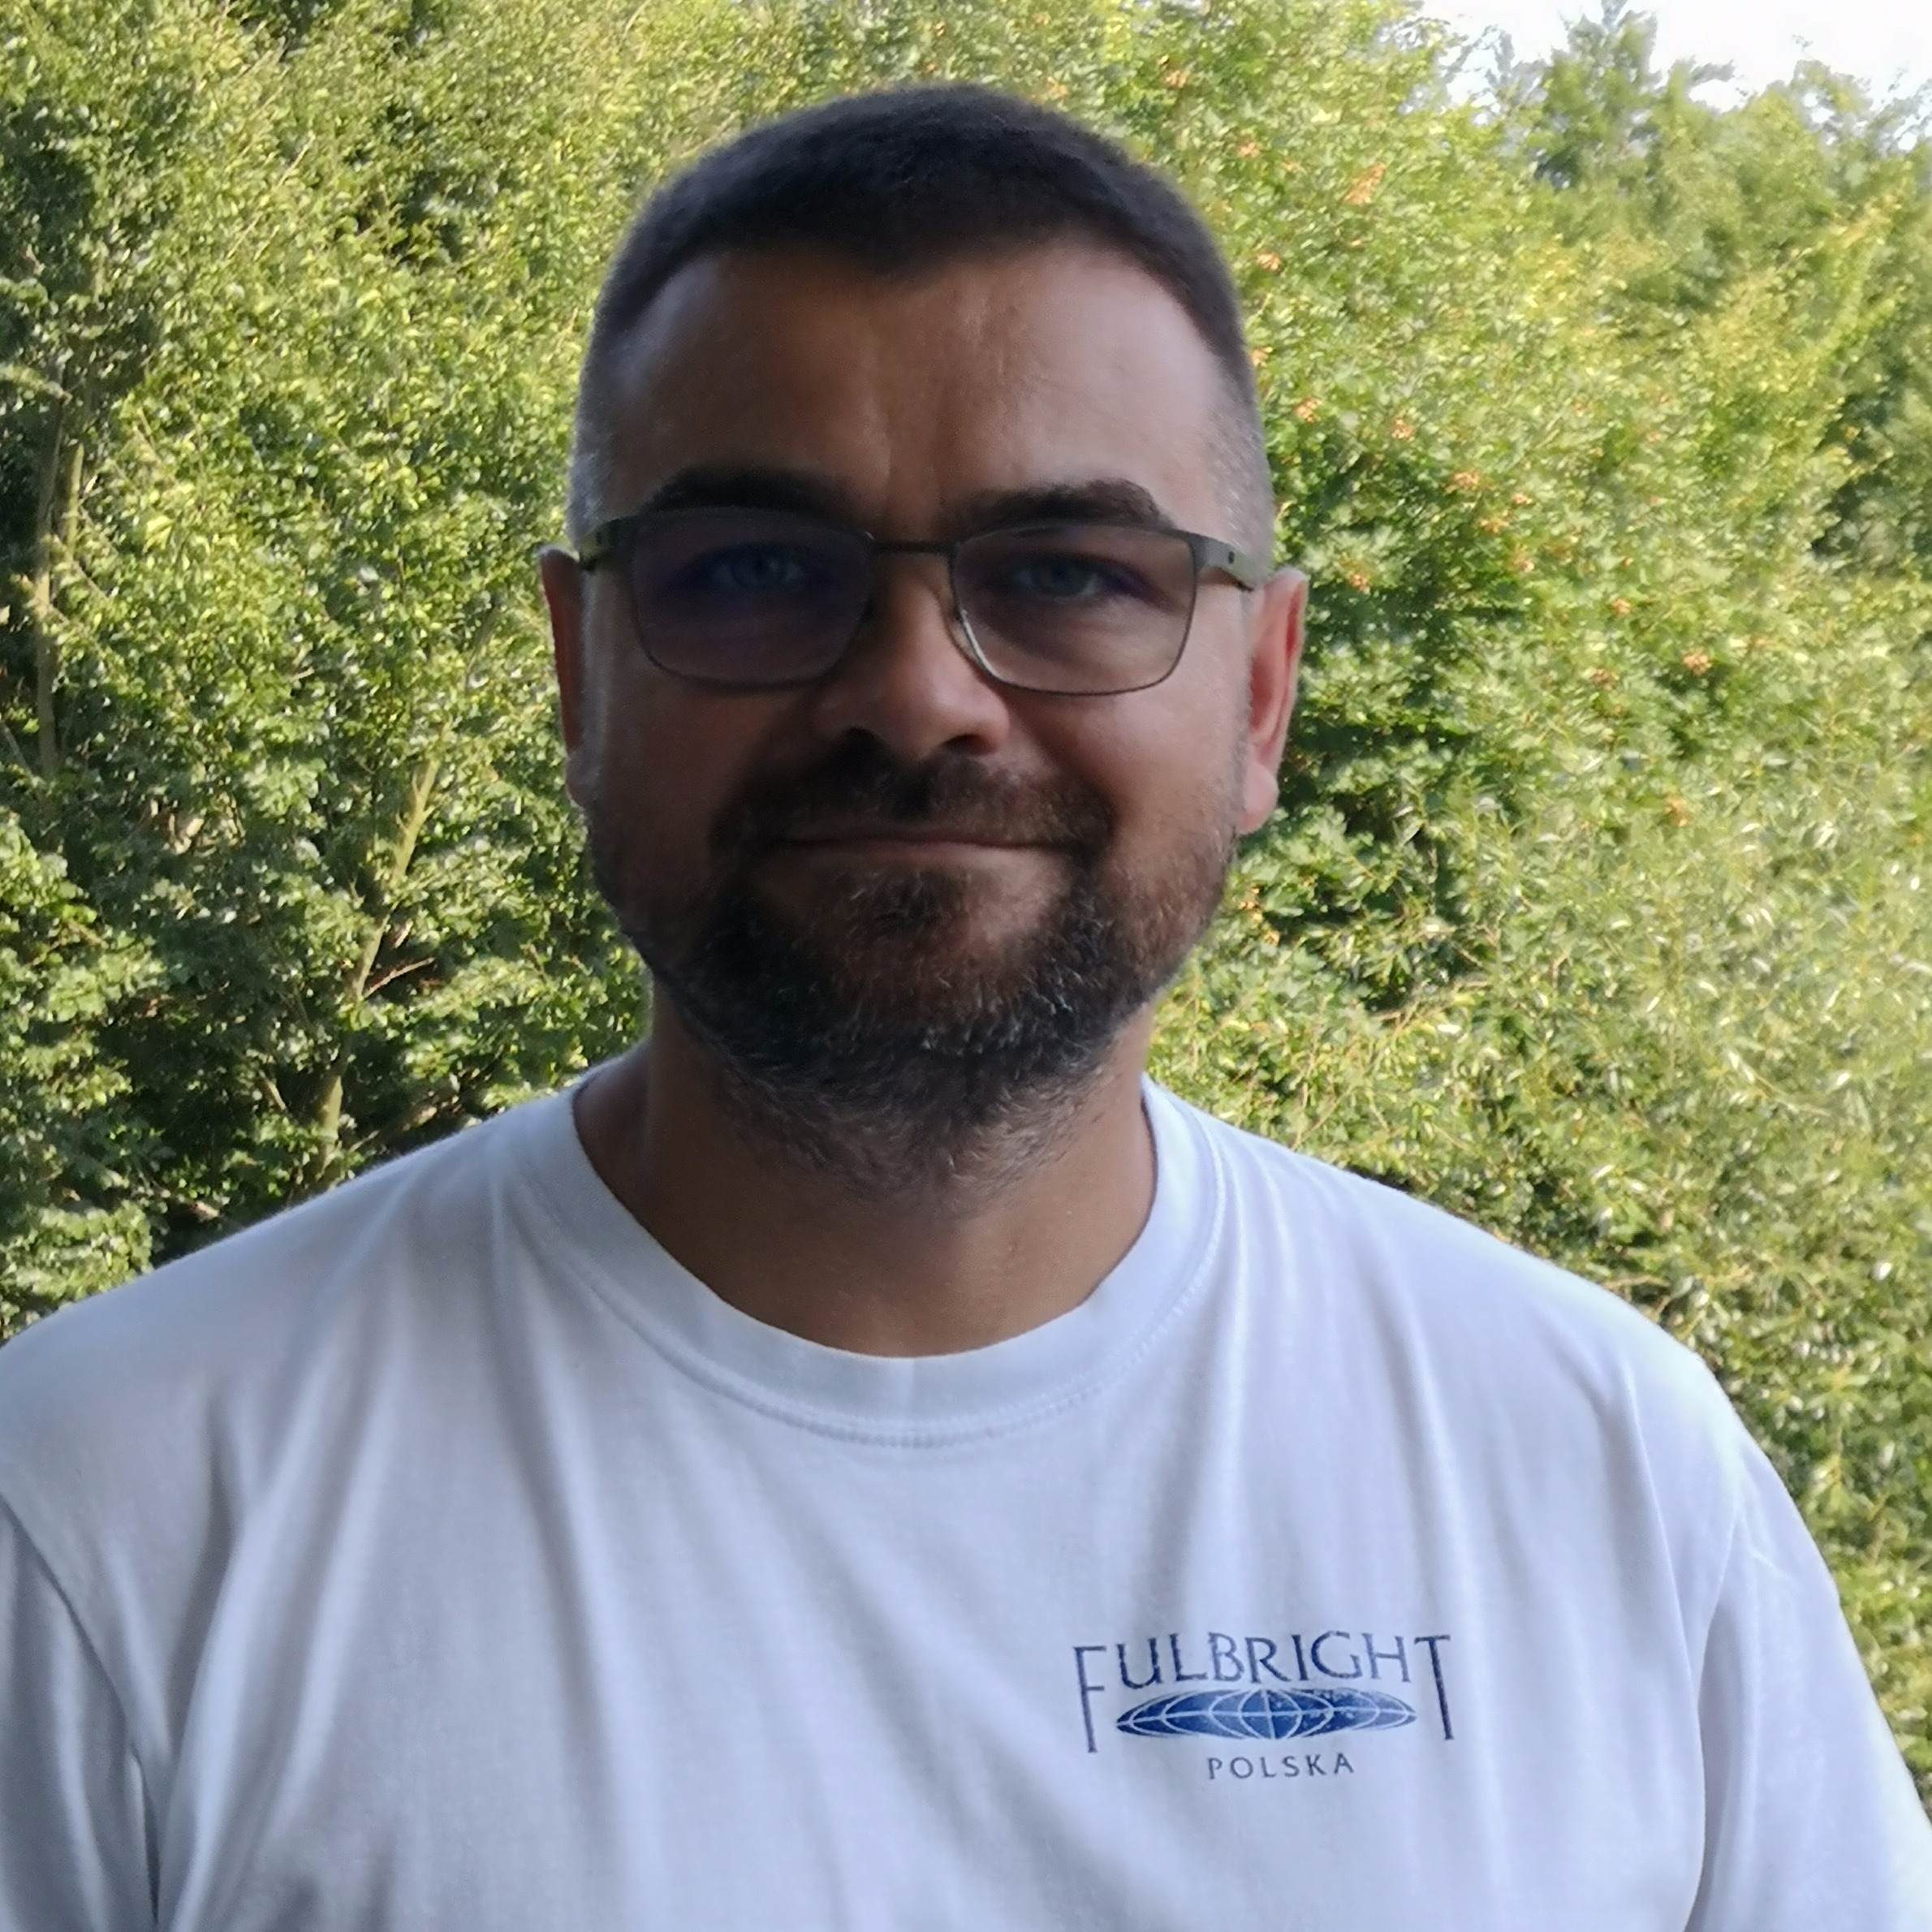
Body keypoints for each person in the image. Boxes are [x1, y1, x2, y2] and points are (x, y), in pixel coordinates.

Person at [1, 83, 1927, 1932]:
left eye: (1069, 572)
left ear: (1260, 693)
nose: (916, 694)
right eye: (755, 570)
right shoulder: (101, 1513)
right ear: (580, 674)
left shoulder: (1602, 1475)